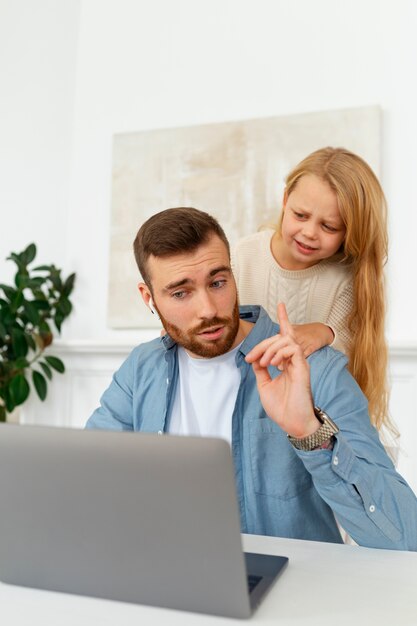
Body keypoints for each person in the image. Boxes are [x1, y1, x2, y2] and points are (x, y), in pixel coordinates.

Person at [86, 207, 417, 551]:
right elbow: (89, 481)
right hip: (165, 575)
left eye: (217, 282)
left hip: (289, 590)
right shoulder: (142, 368)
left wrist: (309, 432)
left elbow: (405, 540)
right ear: (148, 298)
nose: (209, 309)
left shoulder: (314, 368)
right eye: (181, 293)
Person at [232, 147, 394, 438]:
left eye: (329, 226)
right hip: (241, 417)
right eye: (300, 215)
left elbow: (349, 352)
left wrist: (325, 332)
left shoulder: (345, 279)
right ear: (284, 201)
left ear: (350, 232)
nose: (309, 232)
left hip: (311, 424)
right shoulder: (242, 256)